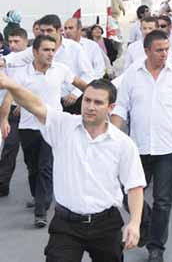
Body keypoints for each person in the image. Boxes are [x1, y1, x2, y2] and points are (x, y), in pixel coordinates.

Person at [0, 74, 146, 262]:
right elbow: (35, 104)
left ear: (111, 107)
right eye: (87, 100)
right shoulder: (63, 125)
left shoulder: (123, 144)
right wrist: (9, 83)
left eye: (98, 102)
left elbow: (134, 186)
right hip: (66, 225)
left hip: (106, 225)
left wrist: (134, 223)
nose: (90, 106)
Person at [111, 30, 172, 262]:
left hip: (169, 149)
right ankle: (146, 226)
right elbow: (121, 107)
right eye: (159, 50)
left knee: (163, 201)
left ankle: (156, 248)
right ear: (147, 51)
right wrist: (110, 136)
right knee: (124, 195)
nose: (164, 54)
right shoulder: (131, 75)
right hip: (138, 149)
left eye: (166, 49)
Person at [5, 35, 89, 227]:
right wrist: (3, 119)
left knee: (45, 167)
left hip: (53, 126)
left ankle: (40, 211)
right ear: (35, 52)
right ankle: (38, 197)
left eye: (53, 50)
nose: (51, 53)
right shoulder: (21, 73)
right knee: (32, 166)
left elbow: (81, 84)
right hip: (28, 127)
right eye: (46, 50)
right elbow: (10, 97)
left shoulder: (61, 70)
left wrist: (100, 93)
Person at [2, 14, 97, 115]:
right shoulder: (36, 49)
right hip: (46, 104)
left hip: (72, 102)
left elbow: (88, 75)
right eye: (42, 31)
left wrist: (75, 93)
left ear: (59, 30)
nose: (45, 34)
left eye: (49, 30)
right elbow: (16, 58)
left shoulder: (75, 48)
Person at [0, 27, 28, 197]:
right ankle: (3, 183)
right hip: (7, 108)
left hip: (25, 109)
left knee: (15, 147)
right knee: (8, 145)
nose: (13, 45)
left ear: (26, 41)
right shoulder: (6, 60)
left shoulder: (31, 61)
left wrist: (23, 104)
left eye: (17, 41)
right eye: (10, 42)